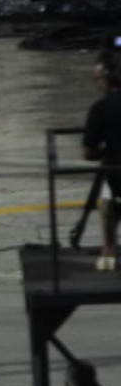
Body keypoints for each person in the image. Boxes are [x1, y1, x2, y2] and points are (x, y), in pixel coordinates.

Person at [84, 51, 121, 273]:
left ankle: (108, 249)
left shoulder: (100, 109)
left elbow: (88, 152)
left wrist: (104, 154)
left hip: (116, 176)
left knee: (107, 199)